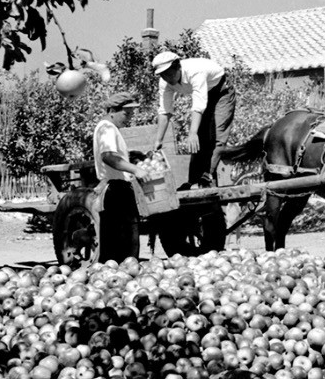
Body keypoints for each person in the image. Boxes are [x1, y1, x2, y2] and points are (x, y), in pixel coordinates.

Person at [151, 51, 236, 188]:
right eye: (163, 74)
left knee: (217, 136)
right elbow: (165, 111)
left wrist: (192, 133)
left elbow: (198, 105)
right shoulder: (164, 82)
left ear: (178, 67)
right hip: (205, 94)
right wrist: (158, 140)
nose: (167, 77)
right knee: (200, 139)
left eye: (169, 73)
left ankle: (207, 176)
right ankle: (193, 180)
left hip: (221, 92)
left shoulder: (195, 72)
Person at [93, 92, 149, 260]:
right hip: (117, 191)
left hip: (117, 189)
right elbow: (108, 156)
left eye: (131, 114)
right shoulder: (107, 128)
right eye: (126, 113)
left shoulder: (109, 129)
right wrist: (135, 169)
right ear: (112, 110)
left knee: (118, 244)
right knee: (123, 246)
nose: (129, 118)